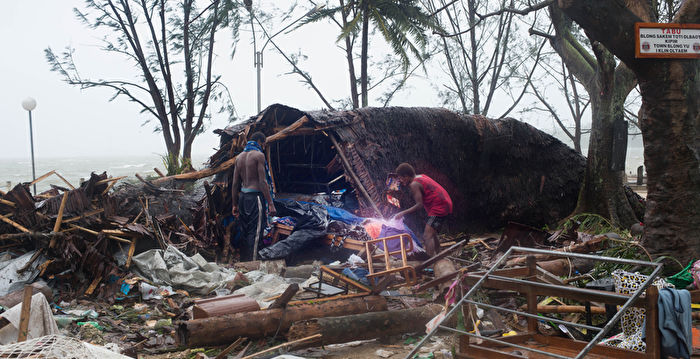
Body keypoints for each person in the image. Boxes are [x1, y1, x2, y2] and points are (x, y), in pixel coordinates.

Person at [232, 132, 277, 261]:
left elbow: (235, 184)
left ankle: (243, 261)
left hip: (242, 198)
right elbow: (263, 182)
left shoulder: (239, 158)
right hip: (255, 197)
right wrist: (271, 204)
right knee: (256, 232)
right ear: (260, 141)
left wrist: (234, 204)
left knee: (245, 231)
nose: (263, 147)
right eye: (264, 144)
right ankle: (252, 264)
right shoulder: (259, 156)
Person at [391, 163, 452, 256]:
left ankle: (429, 263)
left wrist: (402, 213)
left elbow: (419, 205)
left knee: (427, 236)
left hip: (439, 207)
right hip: (444, 203)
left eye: (401, 178)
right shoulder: (421, 176)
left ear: (406, 176)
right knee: (432, 233)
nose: (400, 181)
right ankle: (439, 255)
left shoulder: (414, 184)